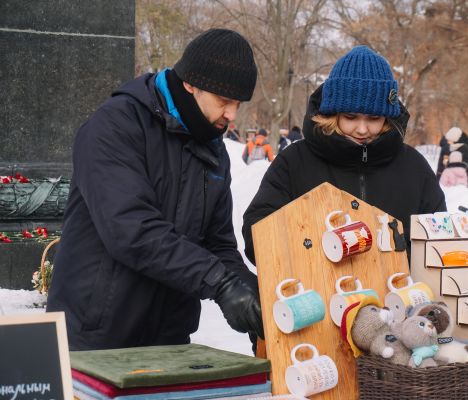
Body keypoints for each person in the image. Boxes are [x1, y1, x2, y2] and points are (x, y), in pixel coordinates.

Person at [46, 29, 263, 350]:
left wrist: (252, 297)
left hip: (168, 337)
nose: (232, 115)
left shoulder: (214, 151)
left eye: (238, 104)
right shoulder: (115, 126)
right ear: (191, 84)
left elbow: (218, 244)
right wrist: (220, 283)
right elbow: (131, 230)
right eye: (224, 101)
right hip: (94, 334)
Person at [242, 46, 446, 264]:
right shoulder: (294, 162)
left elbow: (438, 240)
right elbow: (258, 236)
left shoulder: (413, 167)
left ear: (387, 118)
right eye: (351, 117)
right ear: (333, 113)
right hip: (316, 293)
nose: (362, 129)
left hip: (398, 294)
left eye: (374, 118)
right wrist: (314, 248)